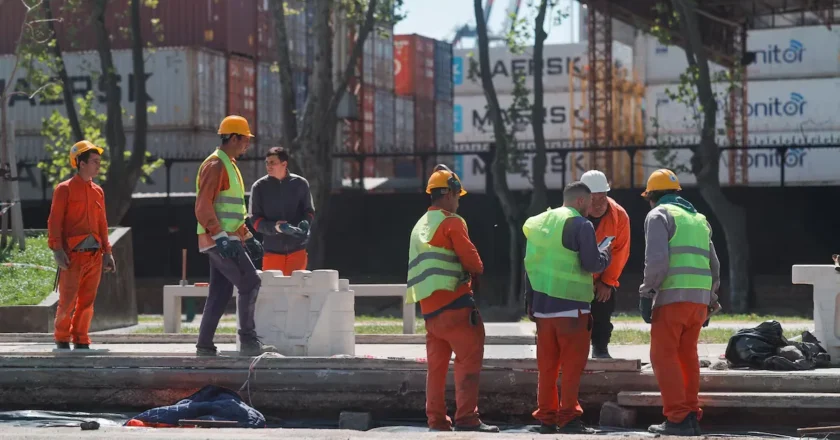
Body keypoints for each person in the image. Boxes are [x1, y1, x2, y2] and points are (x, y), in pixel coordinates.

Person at [405, 164, 498, 433]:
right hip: (456, 306)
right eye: (458, 197)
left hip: (431, 312)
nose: (458, 202)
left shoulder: (420, 225)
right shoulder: (452, 222)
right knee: (469, 359)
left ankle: (436, 420)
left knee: (436, 369)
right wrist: (477, 272)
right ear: (448, 195)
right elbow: (473, 261)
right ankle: (467, 419)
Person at [523, 181, 612, 434]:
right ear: (580, 201)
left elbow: (529, 265)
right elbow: (592, 263)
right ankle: (570, 418)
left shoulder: (539, 223)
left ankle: (547, 419)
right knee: (572, 368)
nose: (591, 209)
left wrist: (529, 302)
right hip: (572, 309)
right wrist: (607, 255)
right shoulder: (581, 224)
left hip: (542, 309)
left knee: (547, 368)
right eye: (589, 203)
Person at [639, 169, 722, 436]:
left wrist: (647, 293)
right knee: (687, 355)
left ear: (652, 196)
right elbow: (714, 264)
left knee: (663, 355)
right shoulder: (699, 219)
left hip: (673, 298)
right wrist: (711, 300)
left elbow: (657, 262)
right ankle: (689, 414)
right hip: (698, 301)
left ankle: (677, 418)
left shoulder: (658, 215)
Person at [194, 115, 276, 357]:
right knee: (250, 282)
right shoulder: (216, 165)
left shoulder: (228, 165)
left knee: (219, 292)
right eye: (244, 139)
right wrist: (219, 235)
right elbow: (203, 206)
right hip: (220, 239)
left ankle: (204, 345)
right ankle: (249, 342)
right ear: (232, 137)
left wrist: (248, 237)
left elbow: (231, 211)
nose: (247, 144)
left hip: (225, 237)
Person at [47, 140, 116, 350]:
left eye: (99, 161)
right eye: (94, 161)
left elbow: (102, 223)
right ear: (81, 163)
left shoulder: (98, 191)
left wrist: (107, 252)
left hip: (94, 256)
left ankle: (81, 338)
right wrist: (57, 250)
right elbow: (54, 221)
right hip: (72, 255)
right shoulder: (64, 189)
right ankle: (61, 338)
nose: (98, 165)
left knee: (87, 302)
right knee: (67, 301)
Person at [580, 170, 631, 359]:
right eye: (594, 199)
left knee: (603, 308)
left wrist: (607, 282)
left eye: (603, 198)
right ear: (583, 198)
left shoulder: (619, 215)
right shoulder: (570, 214)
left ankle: (600, 348)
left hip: (601, 277)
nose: (600, 204)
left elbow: (620, 251)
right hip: (575, 277)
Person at [248, 146, 315, 274]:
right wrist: (276, 227)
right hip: (272, 251)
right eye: (267, 163)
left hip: (298, 250)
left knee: (296, 291)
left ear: (284, 164)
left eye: (273, 163)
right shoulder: (259, 187)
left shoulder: (301, 183)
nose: (268, 166)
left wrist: (306, 224)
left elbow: (309, 211)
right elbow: (255, 219)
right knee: (273, 292)